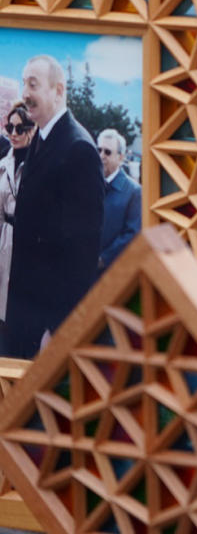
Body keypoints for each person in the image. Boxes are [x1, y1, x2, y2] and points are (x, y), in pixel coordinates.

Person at [6, 55, 104, 358]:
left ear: (58, 90)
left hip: (46, 325)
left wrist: (58, 327)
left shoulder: (79, 150)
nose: (25, 94)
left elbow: (82, 256)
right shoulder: (42, 139)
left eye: (33, 84)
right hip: (24, 313)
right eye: (24, 84)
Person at [0, 99, 29, 341]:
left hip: (29, 241)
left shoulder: (39, 164)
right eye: (10, 128)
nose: (14, 134)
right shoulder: (3, 165)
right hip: (4, 238)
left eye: (20, 128)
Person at [97, 128, 140, 271]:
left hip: (111, 274)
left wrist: (103, 259)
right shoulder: (89, 183)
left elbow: (132, 234)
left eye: (107, 152)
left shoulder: (134, 191)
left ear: (121, 157)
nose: (101, 156)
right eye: (99, 150)